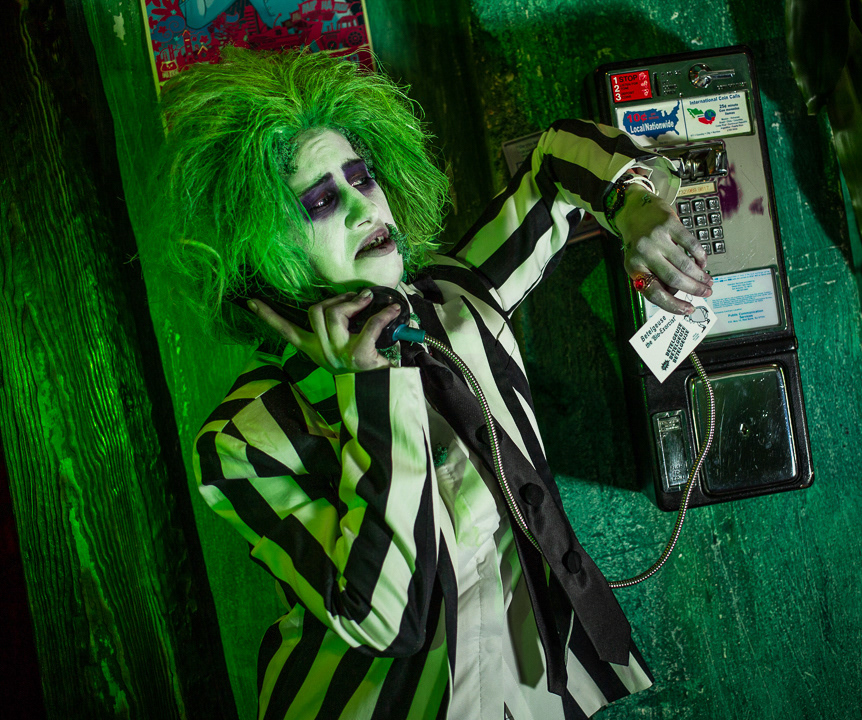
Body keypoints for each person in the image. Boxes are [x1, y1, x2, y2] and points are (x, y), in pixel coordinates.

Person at [160, 47, 712, 720]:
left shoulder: (458, 298)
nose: (364, 208)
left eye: (362, 178)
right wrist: (369, 386)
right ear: (258, 248)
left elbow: (552, 164)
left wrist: (631, 203)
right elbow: (387, 621)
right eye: (322, 201)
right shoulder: (245, 438)